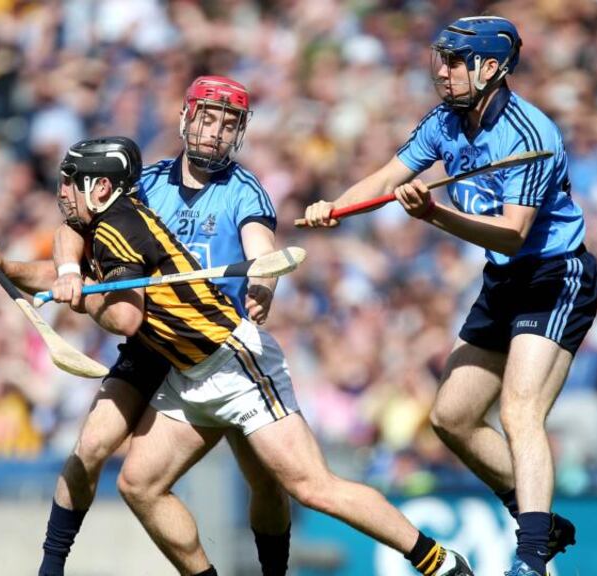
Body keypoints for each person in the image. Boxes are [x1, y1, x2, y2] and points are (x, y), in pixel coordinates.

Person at [42, 134, 473, 575]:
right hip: (187, 369)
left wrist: (81, 298)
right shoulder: (129, 200)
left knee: (309, 487)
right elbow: (68, 237)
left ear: (100, 188)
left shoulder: (216, 197)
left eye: (70, 181)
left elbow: (126, 318)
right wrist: (60, 270)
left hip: (231, 360)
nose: (61, 192)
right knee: (139, 484)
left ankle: (438, 560)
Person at [302, 16, 597, 576]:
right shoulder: (444, 121)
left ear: (491, 68)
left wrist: (435, 215)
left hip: (555, 277)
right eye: (440, 58)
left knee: (519, 409)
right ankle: (536, 515)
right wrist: (335, 208)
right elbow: (390, 175)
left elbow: (513, 232)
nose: (442, 71)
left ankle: (531, 558)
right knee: (451, 417)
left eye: (455, 62)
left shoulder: (531, 137)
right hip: (504, 281)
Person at [40, 76, 290, 576]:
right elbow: (74, 224)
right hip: (150, 341)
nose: (215, 131)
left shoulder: (244, 191)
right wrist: (70, 270)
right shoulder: (145, 182)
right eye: (208, 117)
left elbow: (262, 252)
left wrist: (263, 287)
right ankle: (50, 568)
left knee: (267, 481)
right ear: (186, 117)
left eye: (228, 123)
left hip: (211, 346)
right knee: (90, 448)